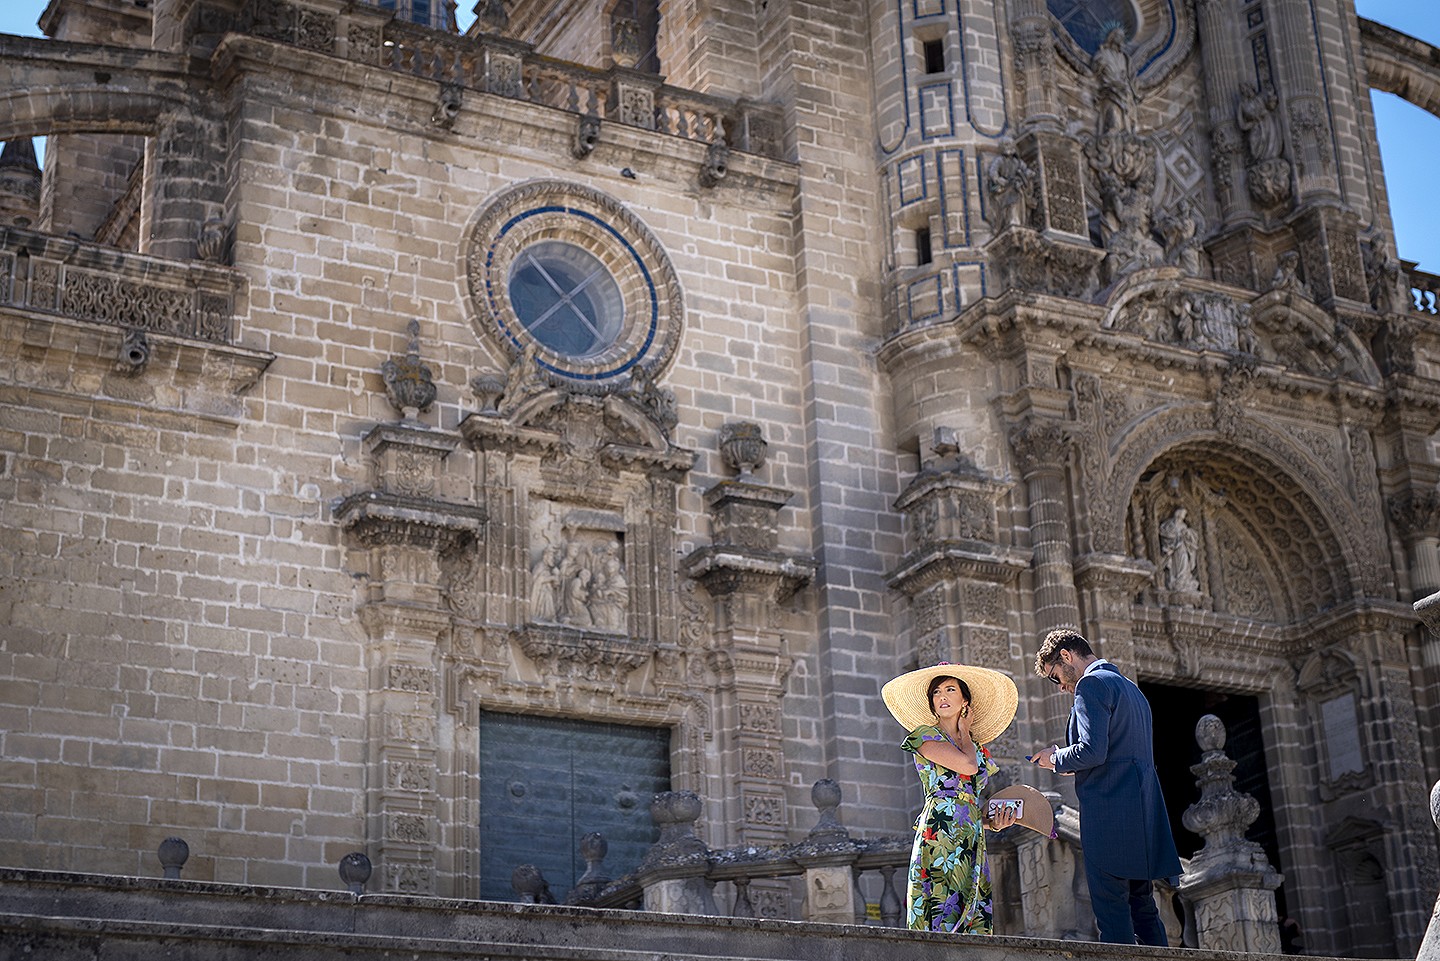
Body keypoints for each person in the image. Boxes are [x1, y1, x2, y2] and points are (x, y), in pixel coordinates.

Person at [1031, 629, 1181, 945]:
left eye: (1055, 677)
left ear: (1066, 656)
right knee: (1144, 911)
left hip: (1110, 818)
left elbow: (1092, 751)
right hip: (1142, 818)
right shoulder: (1132, 691)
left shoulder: (1090, 685)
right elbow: (1118, 755)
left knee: (1113, 920)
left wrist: (1055, 758)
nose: (1060, 687)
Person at [881, 662, 1020, 934]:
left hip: (971, 835)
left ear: (964, 699)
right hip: (940, 830)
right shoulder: (924, 737)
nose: (942, 696)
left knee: (971, 910)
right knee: (943, 905)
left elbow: (970, 799)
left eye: (950, 689)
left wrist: (993, 821)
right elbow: (968, 767)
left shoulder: (977, 749)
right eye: (936, 692)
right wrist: (966, 731)